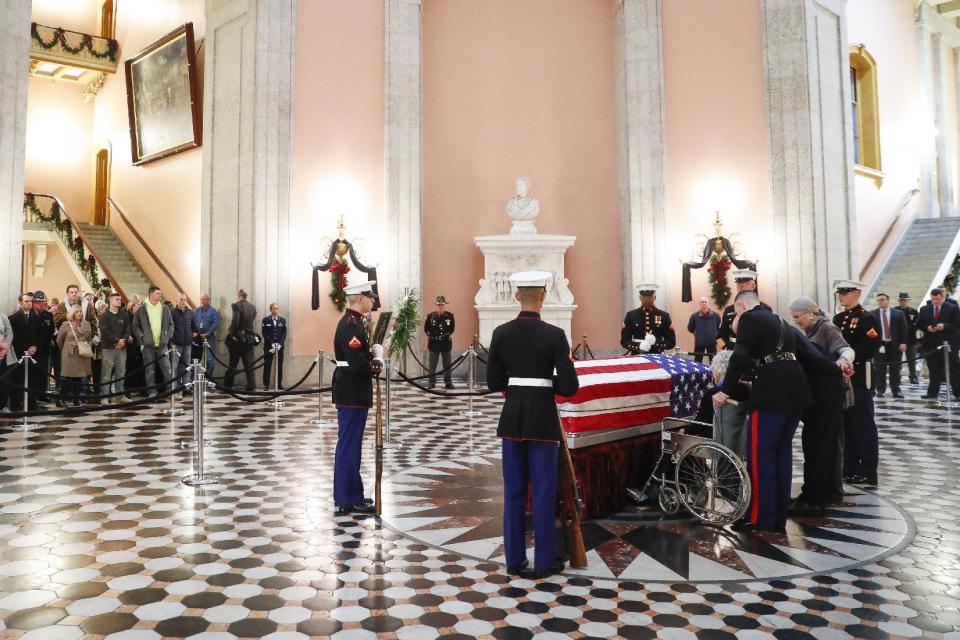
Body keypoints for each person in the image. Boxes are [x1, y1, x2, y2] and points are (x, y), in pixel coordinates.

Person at [487, 271, 579, 579]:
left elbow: (493, 382)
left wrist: (519, 384)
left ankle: (514, 559)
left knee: (513, 490)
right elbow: (569, 386)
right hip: (542, 419)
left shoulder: (500, 333)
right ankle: (543, 563)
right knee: (542, 491)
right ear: (543, 295)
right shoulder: (554, 334)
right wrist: (543, 382)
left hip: (512, 419)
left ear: (516, 296)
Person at [713, 290, 809, 532]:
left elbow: (739, 357)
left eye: (735, 314)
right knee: (781, 453)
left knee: (759, 455)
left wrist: (725, 391)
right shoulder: (780, 321)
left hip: (772, 392)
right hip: (795, 388)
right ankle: (777, 514)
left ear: (742, 306)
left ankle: (759, 518)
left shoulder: (750, 318)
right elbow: (806, 353)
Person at [789, 296, 853, 514]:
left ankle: (828, 494)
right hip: (817, 395)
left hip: (829, 394)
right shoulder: (807, 331)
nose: (796, 321)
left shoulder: (827, 328)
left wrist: (843, 361)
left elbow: (845, 349)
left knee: (829, 446)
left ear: (811, 313)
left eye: (798, 317)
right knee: (820, 445)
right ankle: (820, 492)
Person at [332, 280, 384, 515]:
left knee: (351, 446)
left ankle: (352, 494)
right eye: (370, 297)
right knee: (349, 447)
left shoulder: (357, 323)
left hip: (353, 391)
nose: (373, 300)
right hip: (352, 391)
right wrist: (376, 362)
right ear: (360, 298)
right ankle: (348, 498)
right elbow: (356, 364)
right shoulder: (351, 325)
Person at [833, 280, 881, 486]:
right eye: (839, 293)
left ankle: (868, 470)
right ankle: (849, 466)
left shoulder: (867, 319)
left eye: (845, 292)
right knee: (847, 425)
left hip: (860, 377)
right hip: (842, 378)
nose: (841, 296)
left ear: (857, 293)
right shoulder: (838, 318)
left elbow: (870, 347)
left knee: (863, 424)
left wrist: (847, 358)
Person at [705, 350, 748, 461]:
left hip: (714, 436)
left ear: (718, 372)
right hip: (738, 439)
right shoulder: (745, 389)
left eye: (713, 369)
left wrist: (685, 430)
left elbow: (702, 422)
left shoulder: (714, 393)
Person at [919, 287, 960, 400]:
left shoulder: (953, 308)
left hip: (948, 344)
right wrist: (927, 328)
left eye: (937, 299)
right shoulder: (924, 309)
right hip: (931, 345)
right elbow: (919, 324)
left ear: (943, 297)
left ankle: (957, 392)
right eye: (933, 299)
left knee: (953, 369)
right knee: (933, 369)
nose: (935, 302)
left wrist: (944, 326)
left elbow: (957, 324)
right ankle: (932, 393)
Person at [133, 286, 174, 397]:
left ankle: (170, 390)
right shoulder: (142, 309)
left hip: (162, 345)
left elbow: (171, 324)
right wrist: (142, 338)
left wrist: (167, 337)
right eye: (157, 293)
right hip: (148, 346)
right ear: (151, 294)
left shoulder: (165, 308)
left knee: (167, 368)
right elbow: (135, 326)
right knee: (149, 370)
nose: (160, 295)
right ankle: (152, 391)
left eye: (160, 293)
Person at [8, 293, 43, 411]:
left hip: (33, 353)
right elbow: (13, 337)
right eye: (26, 301)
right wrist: (25, 348)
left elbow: (40, 335)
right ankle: (16, 404)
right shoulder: (13, 318)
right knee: (18, 378)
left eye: (30, 301)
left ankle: (31, 403)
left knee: (32, 379)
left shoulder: (37, 317)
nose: (29, 303)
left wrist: (35, 347)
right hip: (19, 353)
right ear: (20, 302)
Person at [871, 293, 908, 399]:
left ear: (888, 300)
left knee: (895, 369)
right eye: (878, 300)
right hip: (879, 346)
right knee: (879, 369)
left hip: (894, 345)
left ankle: (896, 390)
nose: (880, 302)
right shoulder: (872, 314)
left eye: (882, 299)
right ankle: (880, 390)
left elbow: (904, 329)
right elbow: (869, 331)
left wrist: (903, 342)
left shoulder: (898, 313)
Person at [621, 284, 676, 354]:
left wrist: (655, 342)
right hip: (637, 355)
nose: (646, 299)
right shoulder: (631, 315)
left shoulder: (664, 316)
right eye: (644, 296)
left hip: (657, 355)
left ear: (654, 297)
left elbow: (671, 342)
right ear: (640, 297)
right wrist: (638, 346)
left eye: (649, 296)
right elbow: (624, 341)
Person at [718, 270, 766, 350]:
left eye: (746, 283)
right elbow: (720, 336)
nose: (741, 285)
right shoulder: (729, 310)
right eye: (738, 283)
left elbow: (768, 334)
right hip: (734, 351)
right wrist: (727, 348)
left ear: (754, 286)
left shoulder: (764, 308)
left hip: (756, 352)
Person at [99, 292, 133, 402]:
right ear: (111, 301)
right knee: (106, 374)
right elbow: (105, 331)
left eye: (120, 299)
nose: (119, 301)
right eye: (117, 299)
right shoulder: (105, 315)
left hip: (122, 348)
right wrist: (117, 340)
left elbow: (128, 329)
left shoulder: (124, 314)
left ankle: (120, 395)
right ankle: (104, 397)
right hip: (108, 348)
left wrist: (123, 340)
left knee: (121, 372)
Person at [57, 307, 93, 406]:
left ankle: (76, 399)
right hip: (69, 354)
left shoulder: (87, 324)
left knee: (79, 377)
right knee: (67, 377)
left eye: (81, 311)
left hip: (82, 353)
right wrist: (66, 349)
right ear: (72, 313)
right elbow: (59, 340)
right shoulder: (66, 325)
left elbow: (89, 338)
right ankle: (61, 399)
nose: (79, 313)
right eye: (76, 312)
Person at [225, 290, 258, 391]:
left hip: (238, 339)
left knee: (233, 363)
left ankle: (228, 385)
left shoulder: (236, 306)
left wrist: (233, 334)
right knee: (249, 364)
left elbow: (236, 321)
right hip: (249, 338)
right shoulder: (252, 307)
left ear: (239, 296)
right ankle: (251, 386)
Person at [424, 295, 456, 388]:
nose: (440, 306)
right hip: (434, 344)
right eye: (438, 304)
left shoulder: (450, 316)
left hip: (445, 343)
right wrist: (433, 336)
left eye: (442, 304)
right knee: (432, 365)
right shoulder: (430, 316)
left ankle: (448, 382)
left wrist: (444, 336)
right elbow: (426, 329)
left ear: (445, 305)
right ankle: (431, 382)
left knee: (447, 365)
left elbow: (452, 329)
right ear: (436, 305)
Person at [30, 291, 55, 402]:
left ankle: (42, 394)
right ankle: (32, 396)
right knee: (33, 373)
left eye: (42, 302)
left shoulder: (48, 315)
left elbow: (51, 331)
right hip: (33, 349)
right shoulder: (29, 315)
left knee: (43, 372)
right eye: (37, 302)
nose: (40, 305)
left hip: (44, 349)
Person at [170, 293, 198, 391]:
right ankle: (174, 387)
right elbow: (169, 327)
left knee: (186, 366)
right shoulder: (172, 312)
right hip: (176, 344)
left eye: (185, 299)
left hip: (187, 344)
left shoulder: (190, 312)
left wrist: (194, 333)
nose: (183, 301)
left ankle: (186, 386)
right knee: (174, 366)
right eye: (181, 299)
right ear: (176, 300)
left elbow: (195, 326)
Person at [261, 303, 287, 390]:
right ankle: (266, 384)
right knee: (267, 365)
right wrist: (272, 343)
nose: (275, 310)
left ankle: (279, 384)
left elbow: (284, 334)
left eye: (276, 308)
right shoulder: (265, 320)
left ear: (278, 310)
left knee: (280, 365)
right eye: (273, 308)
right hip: (269, 346)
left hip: (280, 346)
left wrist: (280, 344)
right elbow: (265, 333)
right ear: (270, 310)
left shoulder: (282, 320)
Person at [687, 296, 721, 362]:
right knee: (697, 361)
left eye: (705, 302)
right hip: (699, 342)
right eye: (702, 302)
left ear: (708, 303)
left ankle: (713, 372)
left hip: (712, 342)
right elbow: (690, 328)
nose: (704, 303)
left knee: (713, 361)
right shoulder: (694, 316)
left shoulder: (716, 315)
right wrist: (696, 334)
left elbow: (718, 326)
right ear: (699, 304)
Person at [193, 293, 220, 376]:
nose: (202, 301)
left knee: (210, 360)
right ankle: (195, 378)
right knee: (196, 359)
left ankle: (208, 379)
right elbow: (193, 322)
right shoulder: (197, 310)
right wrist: (195, 332)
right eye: (201, 299)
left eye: (204, 299)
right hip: (198, 338)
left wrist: (207, 333)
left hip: (209, 338)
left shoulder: (213, 311)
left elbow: (215, 324)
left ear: (208, 300)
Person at [124, 295, 146, 396]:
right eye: (138, 304)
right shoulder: (127, 314)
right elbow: (126, 328)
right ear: (132, 305)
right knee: (130, 366)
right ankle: (128, 389)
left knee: (140, 365)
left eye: (141, 304)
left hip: (139, 343)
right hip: (130, 344)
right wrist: (128, 336)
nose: (140, 306)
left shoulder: (141, 315)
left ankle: (140, 388)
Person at [898, 292, 920, 384]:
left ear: (908, 301)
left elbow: (917, 325)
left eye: (905, 300)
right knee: (897, 361)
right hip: (898, 340)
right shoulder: (894, 311)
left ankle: (913, 377)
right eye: (902, 300)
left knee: (912, 360)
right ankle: (897, 377)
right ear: (899, 301)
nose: (903, 302)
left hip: (911, 339)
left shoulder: (914, 312)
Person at [0, 312, 17, 412]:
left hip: (4, 354)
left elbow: (9, 333)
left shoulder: (3, 317)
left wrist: (4, 348)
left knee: (4, 381)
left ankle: (3, 405)